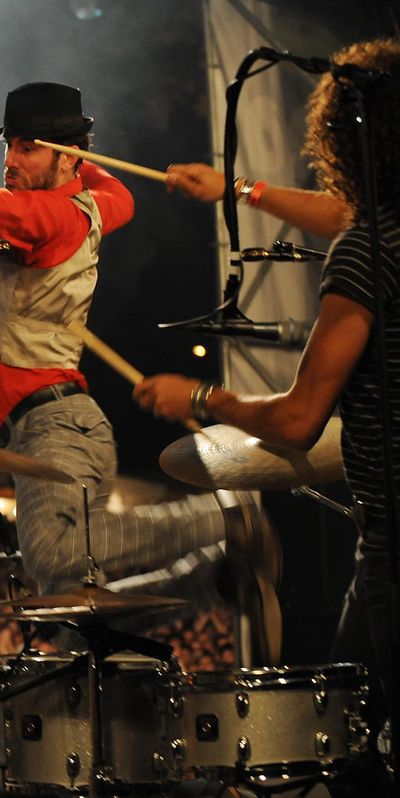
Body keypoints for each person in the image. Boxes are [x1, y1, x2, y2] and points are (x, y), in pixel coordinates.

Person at [0, 70, 281, 659]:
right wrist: (76, 159)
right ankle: (209, 575)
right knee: (70, 620)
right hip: (63, 425)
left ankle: (220, 519)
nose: (10, 160)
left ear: (65, 158)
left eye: (27, 147)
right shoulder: (98, 203)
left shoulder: (50, 218)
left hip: (56, 426)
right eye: (10, 145)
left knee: (52, 560)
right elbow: (120, 190)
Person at [138, 36, 400, 777]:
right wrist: (237, 191)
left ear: (343, 138)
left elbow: (296, 421)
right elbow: (351, 216)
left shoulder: (363, 255)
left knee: (351, 752)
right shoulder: (380, 234)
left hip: (394, 547)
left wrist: (201, 396)